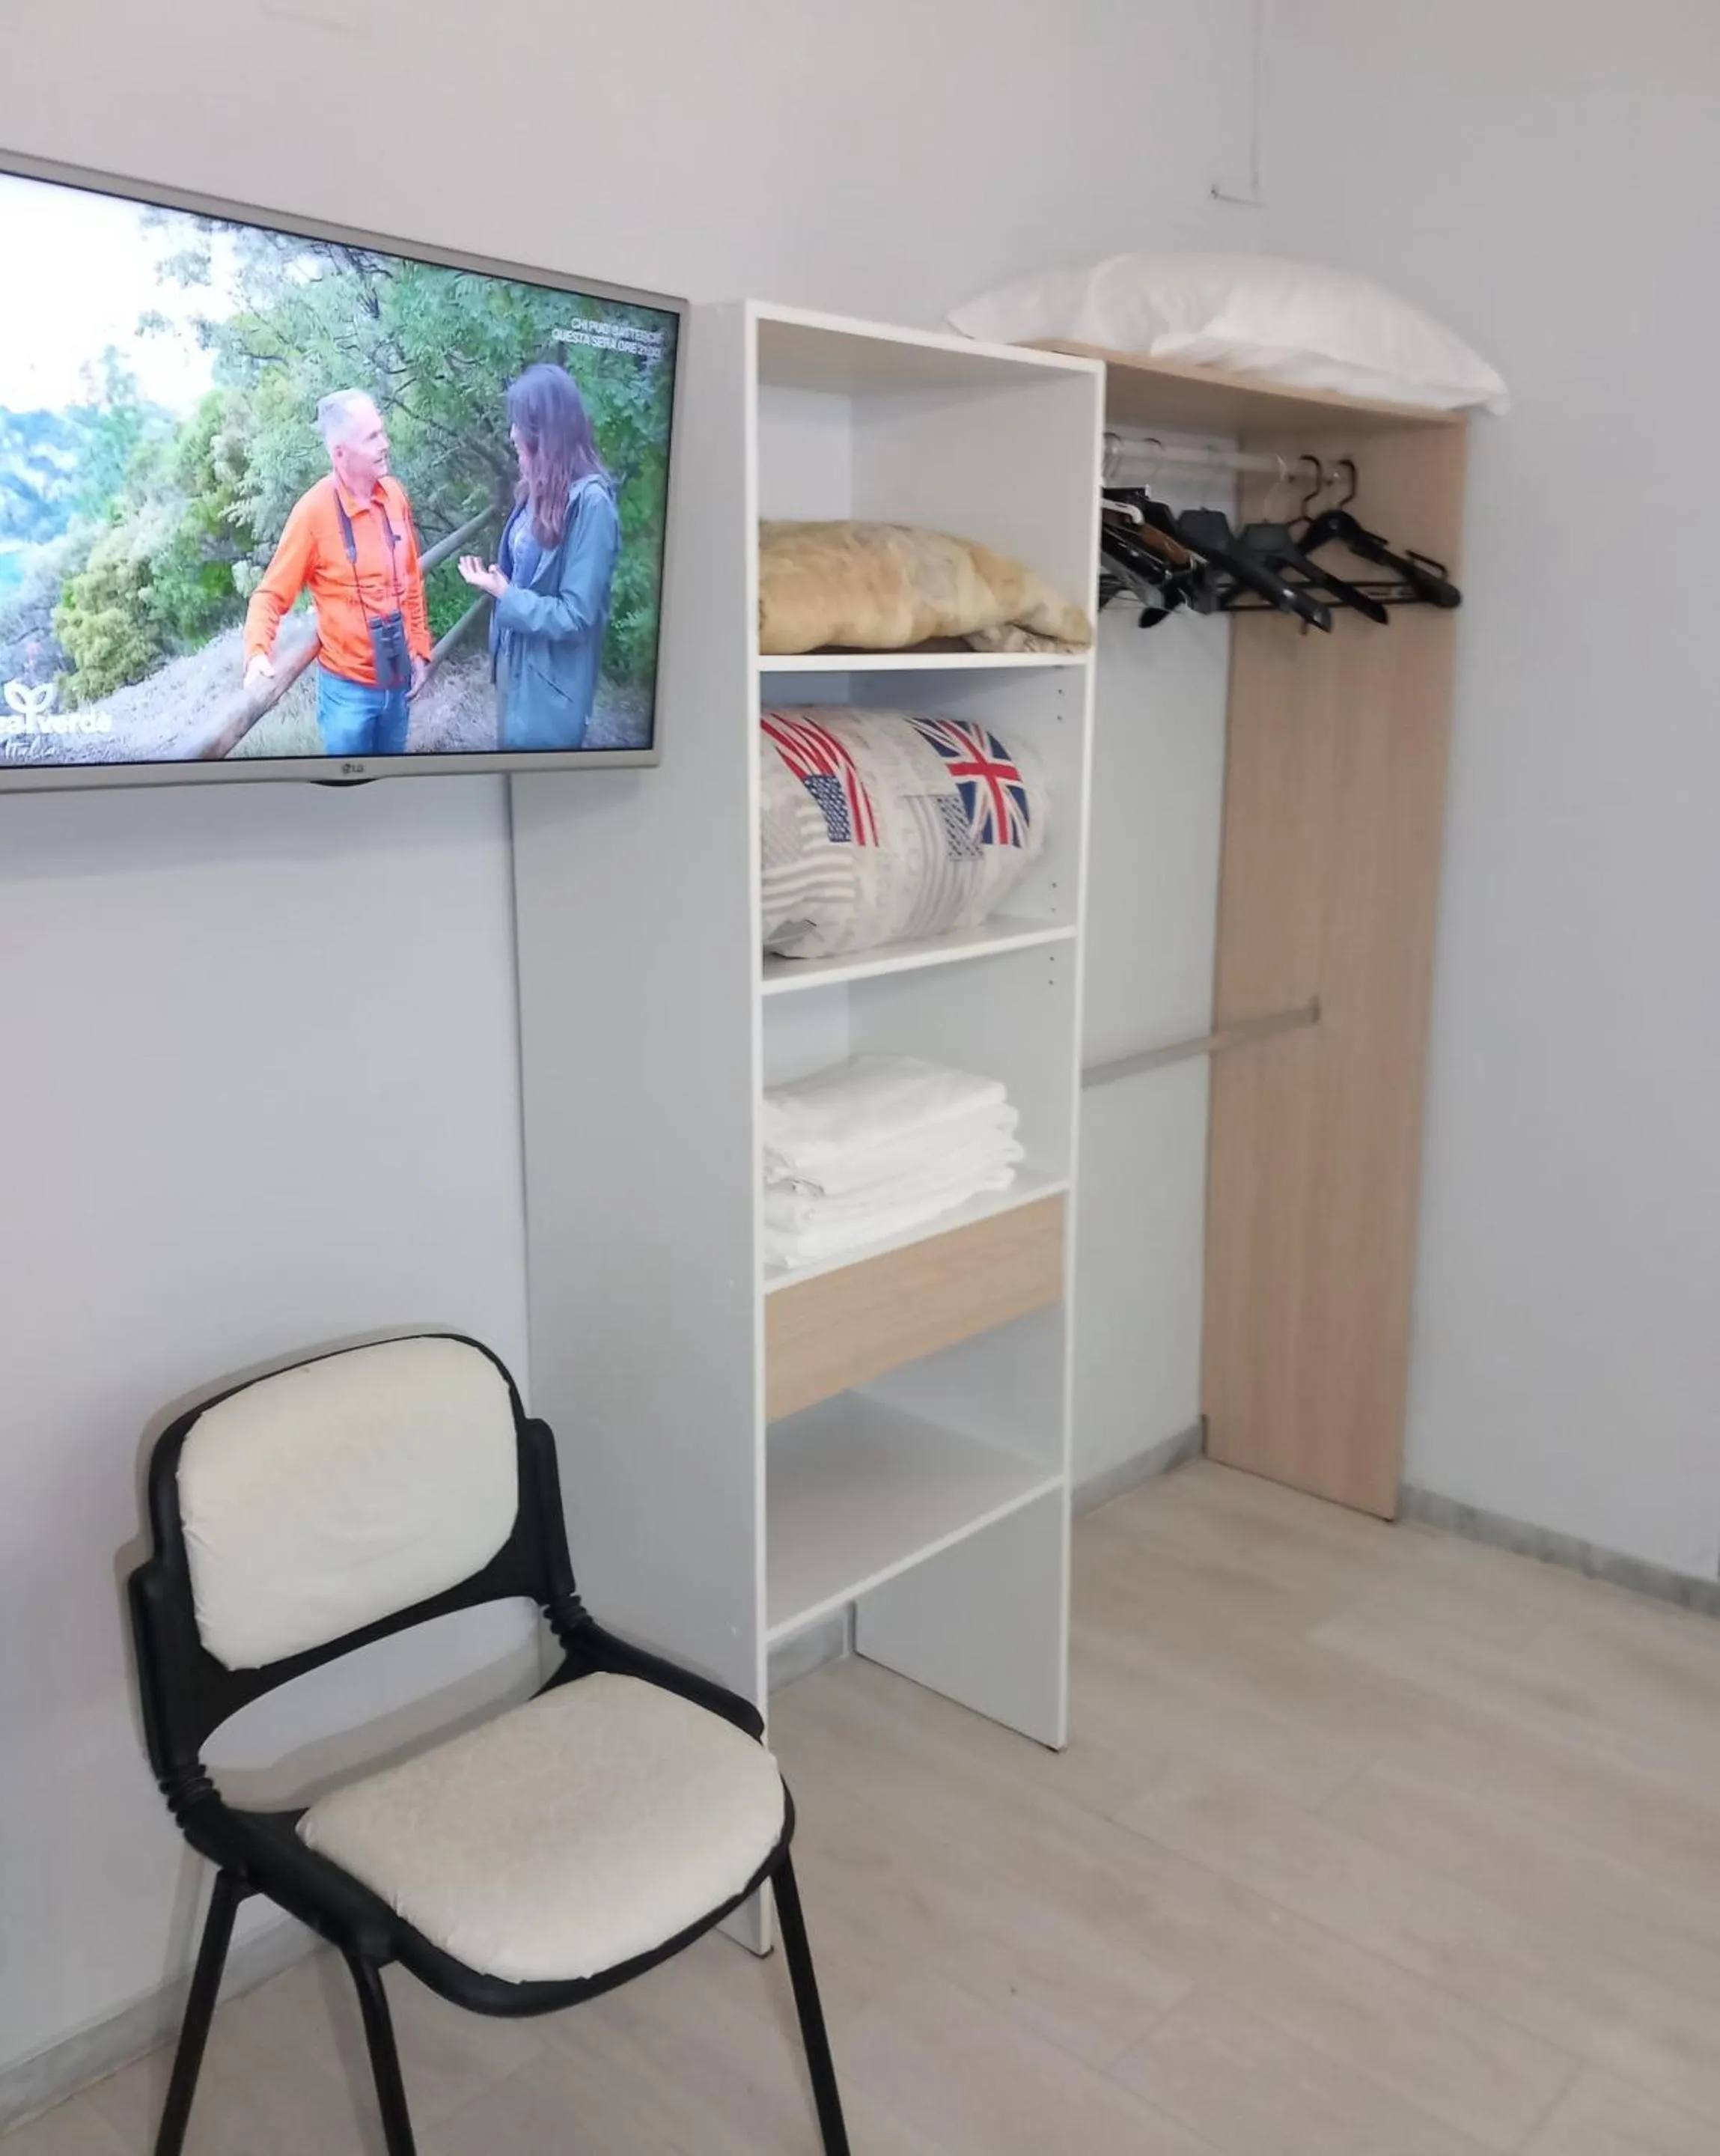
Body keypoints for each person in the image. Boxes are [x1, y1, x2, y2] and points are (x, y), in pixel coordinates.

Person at [243, 391, 431, 756]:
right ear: (340, 454)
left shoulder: (394, 496)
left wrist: (420, 648)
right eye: (372, 437)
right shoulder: (313, 512)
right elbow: (269, 595)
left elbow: (410, 580)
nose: (385, 444)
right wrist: (256, 655)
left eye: (382, 432)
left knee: (389, 787)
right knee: (350, 795)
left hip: (399, 680)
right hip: (348, 695)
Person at [458, 364, 619, 751]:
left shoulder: (592, 503)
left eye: (521, 425)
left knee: (542, 799)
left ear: (547, 433)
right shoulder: (537, 488)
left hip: (550, 686)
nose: (512, 433)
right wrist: (500, 585)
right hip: (515, 666)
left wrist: (506, 595)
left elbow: (576, 615)